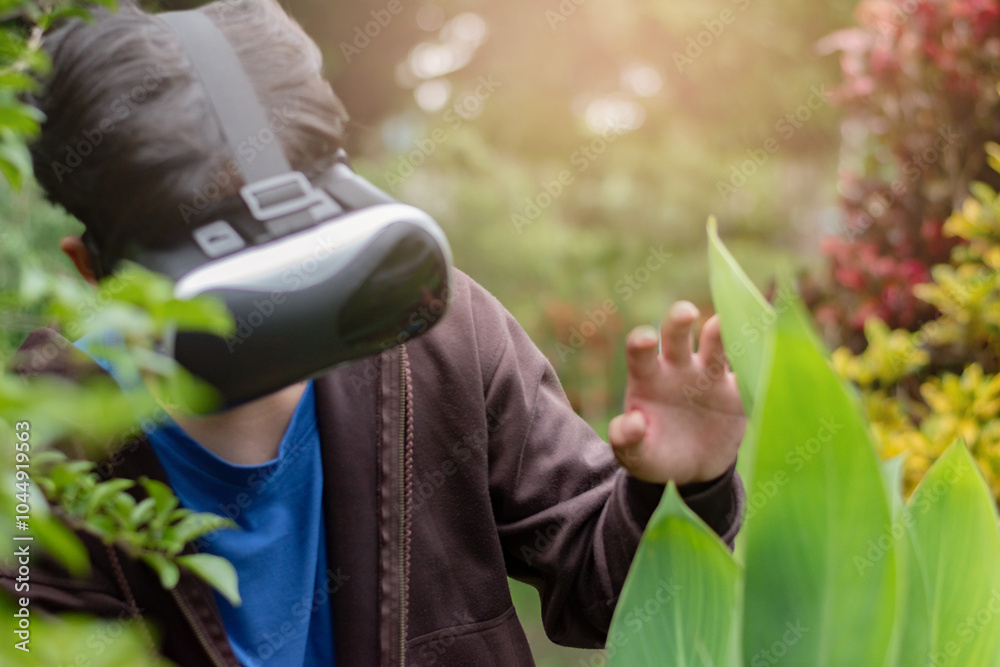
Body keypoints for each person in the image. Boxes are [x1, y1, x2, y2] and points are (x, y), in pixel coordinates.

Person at [1, 0, 746, 665]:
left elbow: (606, 593)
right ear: (93, 271)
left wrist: (679, 490)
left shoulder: (443, 335)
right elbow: (31, 638)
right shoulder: (33, 437)